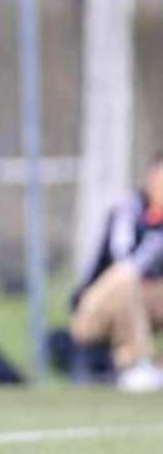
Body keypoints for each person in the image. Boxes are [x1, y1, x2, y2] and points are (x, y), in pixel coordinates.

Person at [70, 153, 163, 392]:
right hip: (94, 309)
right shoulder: (129, 210)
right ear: (151, 179)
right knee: (126, 276)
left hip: (142, 306)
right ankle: (133, 364)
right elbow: (126, 261)